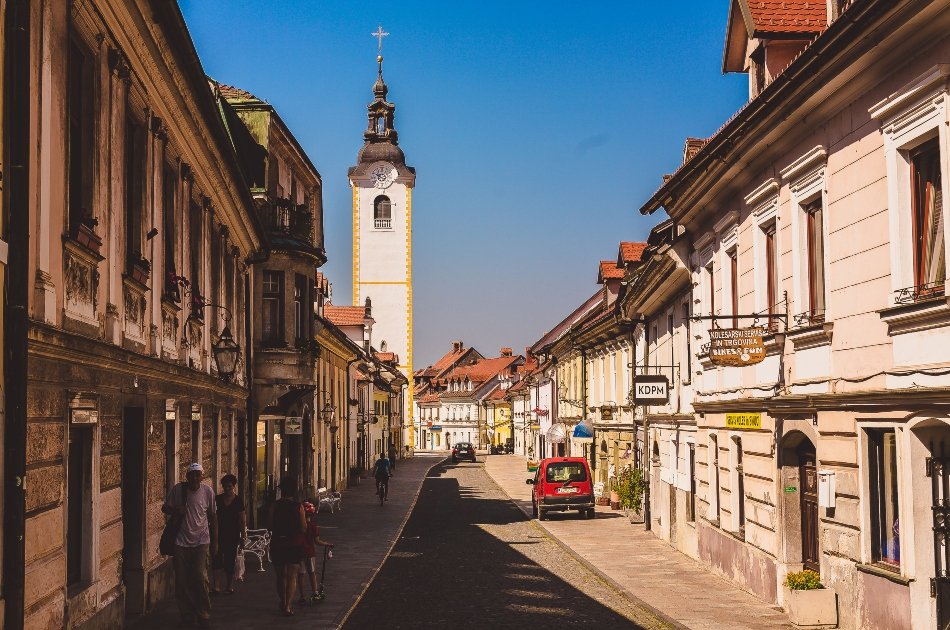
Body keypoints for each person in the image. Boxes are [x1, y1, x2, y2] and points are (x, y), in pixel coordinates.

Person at [162, 462, 218, 629]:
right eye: (192, 475)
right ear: (187, 477)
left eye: (197, 475)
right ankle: (187, 614)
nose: (195, 478)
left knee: (200, 577)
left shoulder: (208, 492)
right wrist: (176, 510)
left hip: (201, 541)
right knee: (182, 580)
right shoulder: (179, 490)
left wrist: (216, 542)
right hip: (181, 541)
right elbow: (165, 508)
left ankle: (204, 613)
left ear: (202, 476)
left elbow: (213, 517)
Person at [269, 476, 306, 617]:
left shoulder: (274, 506)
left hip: (278, 544)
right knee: (292, 577)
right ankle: (289, 606)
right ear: (294, 491)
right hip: (295, 544)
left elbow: (269, 526)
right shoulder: (298, 507)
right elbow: (303, 528)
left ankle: (283, 601)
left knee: (280, 577)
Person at [212, 474, 246, 595]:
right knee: (216, 559)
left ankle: (229, 586)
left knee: (230, 561)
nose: (227, 489)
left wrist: (243, 536)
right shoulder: (217, 500)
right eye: (225, 487)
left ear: (234, 486)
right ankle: (216, 585)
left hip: (233, 535)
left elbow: (242, 520)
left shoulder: (238, 501)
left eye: (230, 487)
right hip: (218, 534)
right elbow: (213, 517)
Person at [297, 502, 334, 604]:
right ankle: (315, 592)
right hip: (310, 553)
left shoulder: (298, 527)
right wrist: (327, 543)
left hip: (299, 552)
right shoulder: (314, 527)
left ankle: (302, 596)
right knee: (312, 573)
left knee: (301, 574)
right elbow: (317, 542)